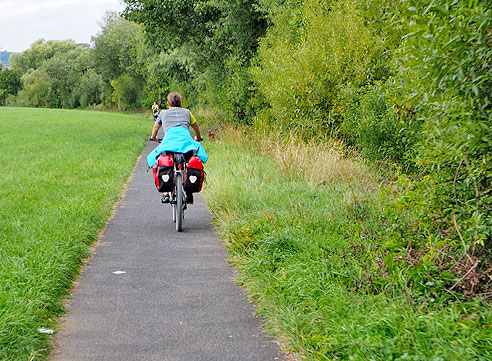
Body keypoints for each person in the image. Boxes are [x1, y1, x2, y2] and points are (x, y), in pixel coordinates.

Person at [147, 92, 207, 204]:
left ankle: (166, 194)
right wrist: (198, 138)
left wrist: (154, 137)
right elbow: (196, 126)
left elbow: (156, 127)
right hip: (186, 143)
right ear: (181, 103)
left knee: (161, 160)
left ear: (168, 104)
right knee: (190, 160)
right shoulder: (187, 113)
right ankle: (189, 191)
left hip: (169, 143)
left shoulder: (163, 113)